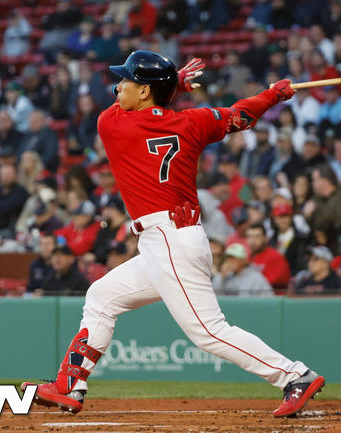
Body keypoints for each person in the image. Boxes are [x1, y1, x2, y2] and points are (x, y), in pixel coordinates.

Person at [21, 51, 324, 417]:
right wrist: (273, 94)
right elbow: (240, 116)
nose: (119, 87)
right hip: (169, 240)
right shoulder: (192, 123)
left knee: (208, 331)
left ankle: (294, 375)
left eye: (127, 81)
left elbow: (137, 110)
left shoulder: (112, 125)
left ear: (145, 91)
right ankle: (70, 385)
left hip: (169, 240)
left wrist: (175, 83)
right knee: (101, 296)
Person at [246, 223, 291, 293]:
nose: (252, 241)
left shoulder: (275, 257)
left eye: (257, 237)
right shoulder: (247, 257)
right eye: (250, 236)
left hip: (272, 300)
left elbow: (267, 285)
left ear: (266, 238)